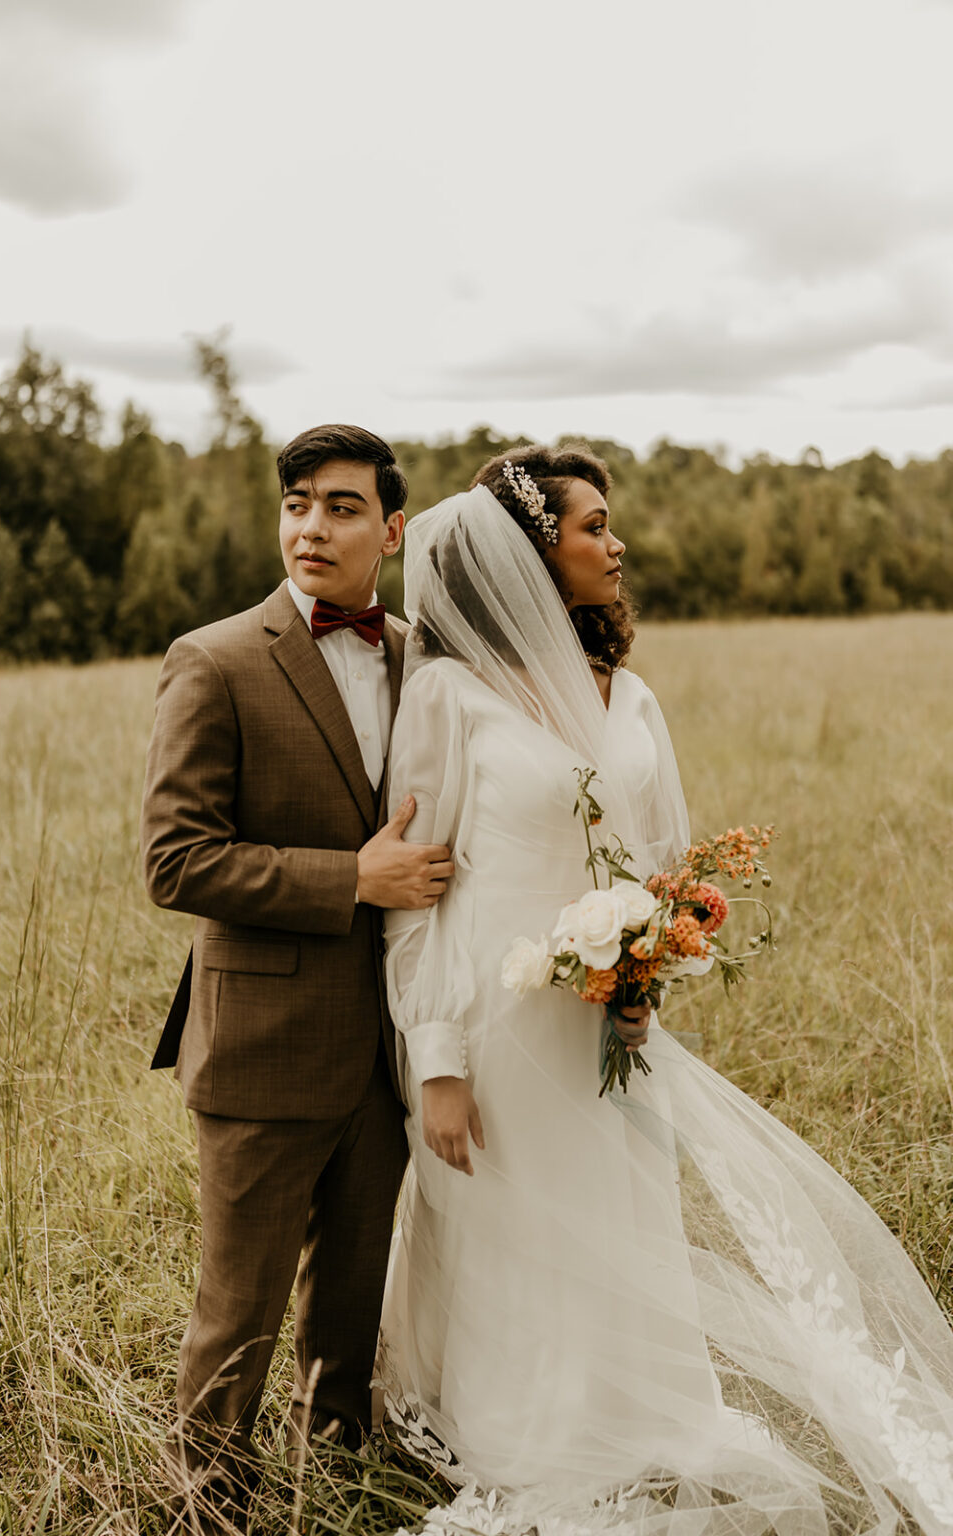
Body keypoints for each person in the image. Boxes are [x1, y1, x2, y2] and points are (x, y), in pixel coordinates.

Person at [377, 444, 953, 1536]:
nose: (615, 541)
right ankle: (528, 1446)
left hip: (606, 1024)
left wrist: (650, 965)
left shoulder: (629, 697)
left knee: (622, 1222)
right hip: (490, 1028)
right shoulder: (448, 697)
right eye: (592, 525)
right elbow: (415, 900)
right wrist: (439, 1059)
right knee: (517, 1243)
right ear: (530, 554)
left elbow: (665, 864)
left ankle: (639, 1422)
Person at [139, 424, 453, 1531]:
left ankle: (341, 1494)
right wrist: (350, 880)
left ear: (393, 529)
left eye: (342, 507)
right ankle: (209, 1506)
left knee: (350, 1312)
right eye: (297, 504)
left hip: (388, 1050)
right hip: (264, 1048)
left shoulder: (428, 658)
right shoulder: (214, 659)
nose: (312, 526)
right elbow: (175, 860)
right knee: (238, 1319)